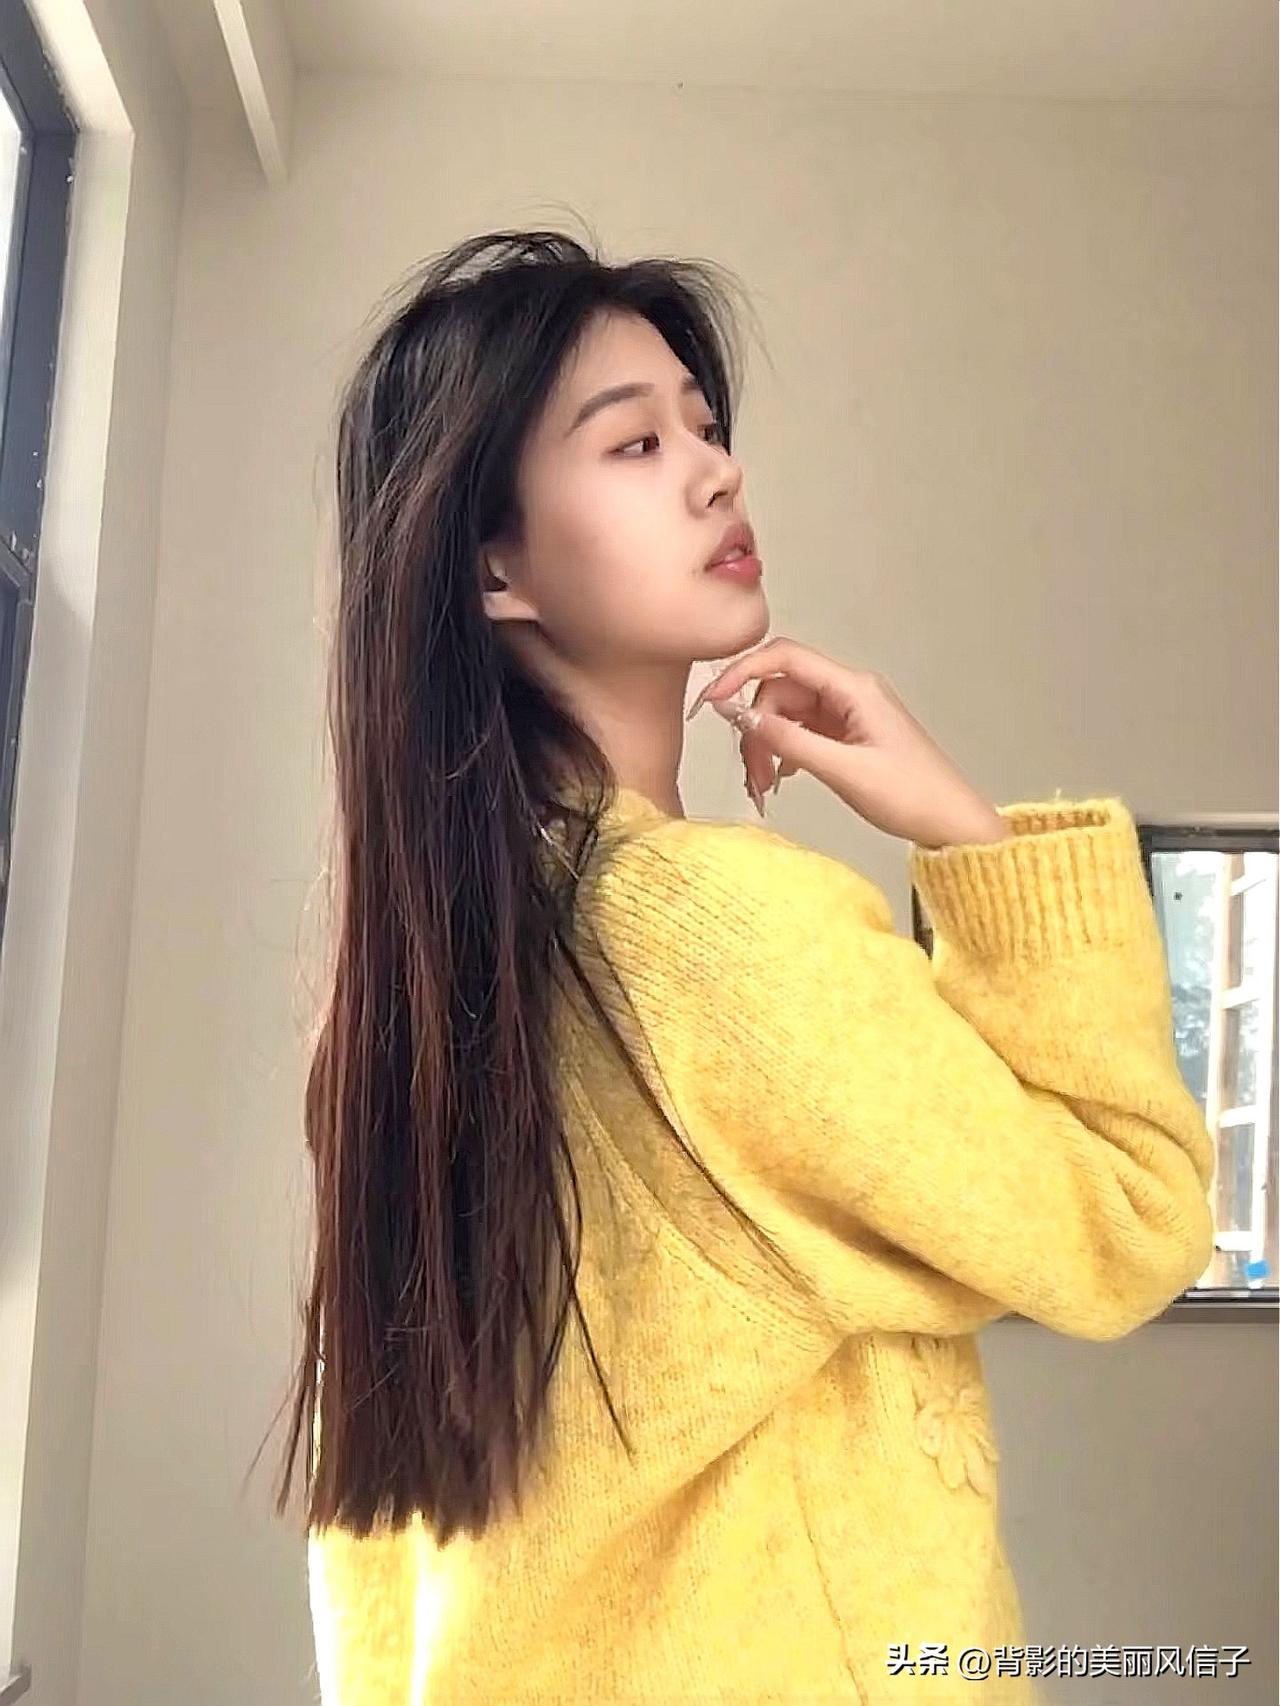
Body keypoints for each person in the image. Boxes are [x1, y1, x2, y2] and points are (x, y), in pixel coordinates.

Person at [266, 228, 1215, 1703]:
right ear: (495, 564)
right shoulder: (713, 930)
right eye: (635, 443)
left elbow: (380, 1572)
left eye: (704, 427)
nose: (718, 472)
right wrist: (971, 838)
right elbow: (1133, 1217)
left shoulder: (423, 997)